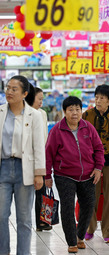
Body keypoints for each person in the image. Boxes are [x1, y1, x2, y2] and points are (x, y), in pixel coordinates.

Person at [45, 96, 104, 253]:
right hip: (64, 175)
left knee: (88, 206)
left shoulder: (88, 127)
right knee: (67, 207)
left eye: (78, 109)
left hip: (88, 174)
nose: (75, 113)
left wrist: (98, 168)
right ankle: (72, 242)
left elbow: (98, 148)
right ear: (64, 112)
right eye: (71, 109)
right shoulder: (57, 130)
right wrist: (46, 176)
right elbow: (48, 154)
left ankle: (80, 236)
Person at [0, 75, 45, 255]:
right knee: (1, 217)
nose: (9, 92)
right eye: (8, 88)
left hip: (24, 170)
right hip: (3, 169)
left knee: (24, 219)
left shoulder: (34, 116)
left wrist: (39, 173)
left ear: (25, 93)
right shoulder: (1, 112)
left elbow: (38, 146)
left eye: (14, 89)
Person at [82, 85, 109, 243]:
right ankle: (89, 228)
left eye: (102, 98)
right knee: (90, 195)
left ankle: (108, 232)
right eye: (97, 97)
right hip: (91, 163)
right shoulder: (87, 115)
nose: (98, 101)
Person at [25, 86, 51, 231]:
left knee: (41, 192)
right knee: (27, 194)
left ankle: (42, 221)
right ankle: (26, 222)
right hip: (28, 159)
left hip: (41, 158)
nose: (41, 102)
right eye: (39, 99)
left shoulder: (42, 114)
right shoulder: (25, 113)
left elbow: (44, 137)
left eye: (42, 99)